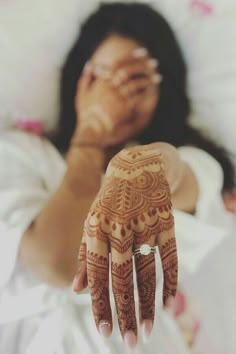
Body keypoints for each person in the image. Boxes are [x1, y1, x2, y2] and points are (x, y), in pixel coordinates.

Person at [0, 2, 235, 354]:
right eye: (104, 79)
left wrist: (147, 165)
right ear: (78, 82)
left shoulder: (194, 163)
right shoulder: (21, 154)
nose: (117, 97)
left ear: (163, 89)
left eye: (137, 80)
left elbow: (181, 179)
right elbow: (56, 263)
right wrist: (90, 136)